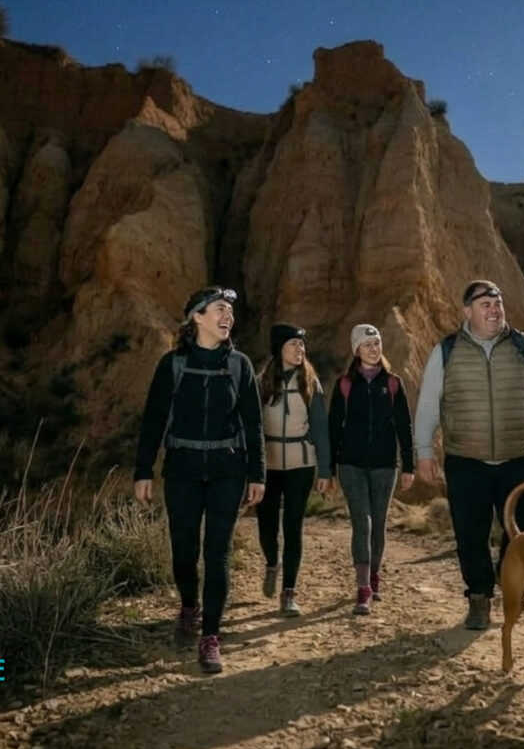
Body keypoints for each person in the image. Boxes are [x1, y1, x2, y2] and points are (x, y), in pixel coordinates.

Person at [415, 280, 524, 630]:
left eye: (497, 303)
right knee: (470, 533)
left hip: (517, 458)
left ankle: (507, 576)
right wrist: (424, 451)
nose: (494, 310)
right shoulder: (447, 350)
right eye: (485, 304)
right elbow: (428, 404)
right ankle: (479, 596)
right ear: (467, 311)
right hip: (466, 461)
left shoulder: (523, 346)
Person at [133, 286, 265, 675]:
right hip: (183, 469)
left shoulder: (240, 365)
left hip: (228, 469)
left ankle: (210, 637)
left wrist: (257, 474)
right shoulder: (172, 364)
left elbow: (253, 425)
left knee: (217, 553)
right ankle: (189, 605)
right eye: (220, 309)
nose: (228, 316)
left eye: (231, 311)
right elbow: (154, 420)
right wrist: (143, 470)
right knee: (183, 552)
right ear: (197, 317)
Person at [329, 323, 415, 615]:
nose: (373, 348)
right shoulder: (344, 384)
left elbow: (404, 426)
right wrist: (328, 469)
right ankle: (363, 587)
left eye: (376, 343)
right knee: (362, 523)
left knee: (378, 524)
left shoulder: (393, 383)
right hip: (351, 465)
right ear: (357, 350)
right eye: (367, 344)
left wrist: (408, 465)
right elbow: (333, 428)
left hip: (384, 466)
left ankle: (374, 574)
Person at [255, 323, 332, 617]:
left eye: (302, 345)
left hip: (301, 463)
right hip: (269, 465)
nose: (300, 349)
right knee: (267, 527)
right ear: (279, 349)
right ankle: (272, 562)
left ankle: (289, 592)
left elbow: (320, 429)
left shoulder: (310, 383)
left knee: (293, 527)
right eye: (293, 344)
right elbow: (252, 425)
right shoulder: (262, 382)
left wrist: (325, 471)